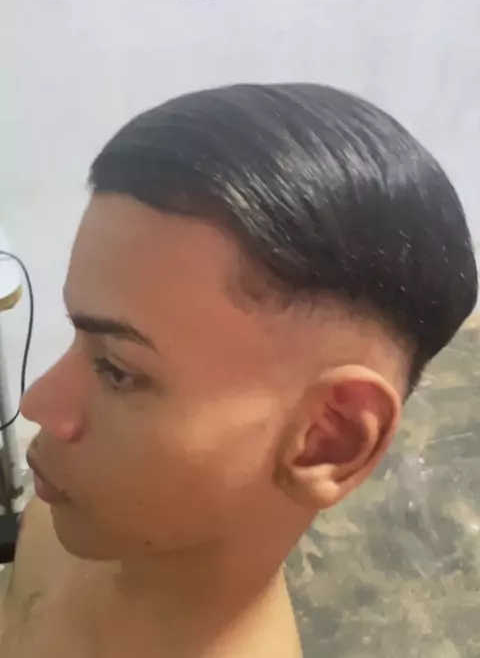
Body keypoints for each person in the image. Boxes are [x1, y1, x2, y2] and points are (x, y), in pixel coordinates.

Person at [0, 83, 477, 657]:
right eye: (78, 335)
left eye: (117, 370)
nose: (39, 404)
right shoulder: (70, 512)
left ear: (327, 439)